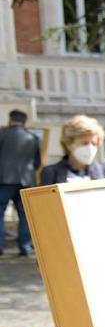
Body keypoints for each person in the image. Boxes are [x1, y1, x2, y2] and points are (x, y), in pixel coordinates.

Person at [0, 109, 42, 256]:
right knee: (25, 215)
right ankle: (25, 247)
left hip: (4, 180)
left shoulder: (2, 134)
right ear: (24, 122)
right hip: (26, 181)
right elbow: (38, 162)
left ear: (10, 119)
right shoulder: (33, 137)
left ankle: (0, 246)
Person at [38, 114, 105, 185]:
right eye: (84, 143)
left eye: (94, 144)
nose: (90, 148)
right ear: (69, 143)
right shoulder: (51, 173)